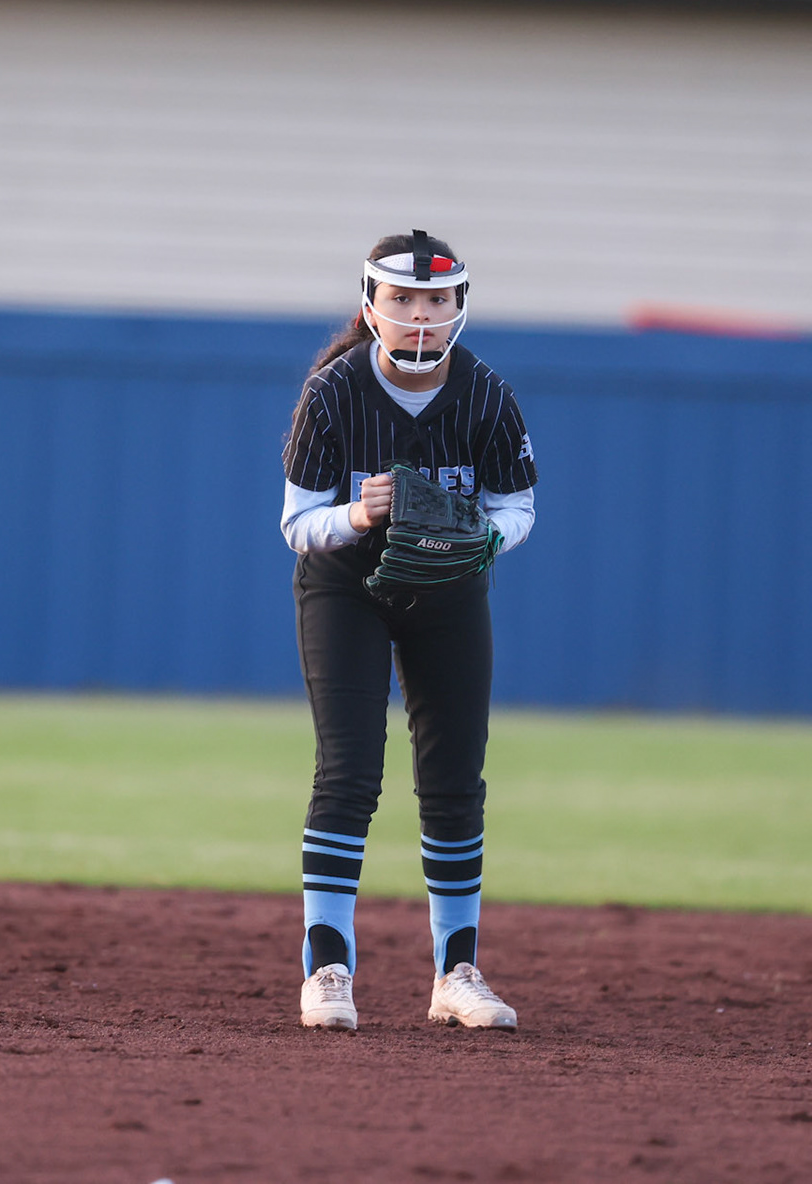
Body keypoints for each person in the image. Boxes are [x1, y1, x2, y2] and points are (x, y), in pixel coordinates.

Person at [280, 230, 539, 1032]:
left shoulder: (488, 394)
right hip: (346, 587)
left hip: (451, 587)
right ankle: (328, 969)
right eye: (402, 300)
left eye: (436, 299)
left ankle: (455, 974)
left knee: (456, 781)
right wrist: (359, 513)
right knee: (350, 773)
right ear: (371, 306)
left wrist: (483, 538)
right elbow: (296, 522)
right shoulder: (333, 393)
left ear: (459, 305)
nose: (420, 317)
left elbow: (519, 506)